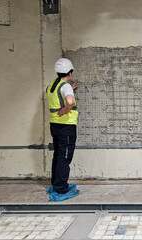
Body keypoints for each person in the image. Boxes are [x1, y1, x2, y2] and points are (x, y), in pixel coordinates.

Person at [45, 58, 80, 201]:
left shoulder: (53, 85)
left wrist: (70, 89)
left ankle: (56, 183)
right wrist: (66, 109)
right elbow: (70, 101)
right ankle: (61, 189)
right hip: (66, 126)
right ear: (70, 73)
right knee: (65, 157)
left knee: (58, 155)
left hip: (55, 125)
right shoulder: (65, 87)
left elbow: (60, 96)